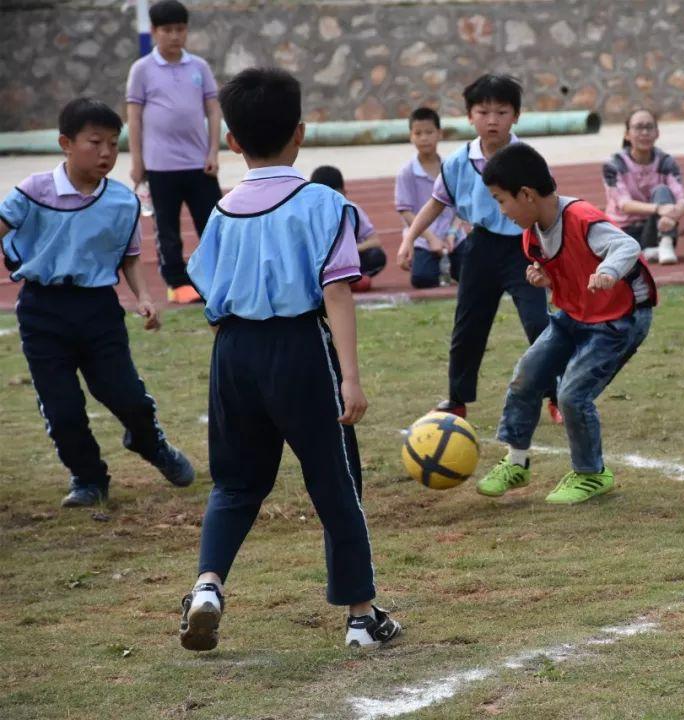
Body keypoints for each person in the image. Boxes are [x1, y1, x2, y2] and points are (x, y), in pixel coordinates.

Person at [181, 68, 401, 652]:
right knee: (335, 482)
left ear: (231, 141)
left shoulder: (223, 211)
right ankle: (360, 616)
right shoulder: (323, 203)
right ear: (299, 133)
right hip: (299, 348)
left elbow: (206, 288)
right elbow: (336, 290)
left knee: (234, 482)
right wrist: (350, 377)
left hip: (232, 352)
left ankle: (207, 586)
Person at [0, 98, 195, 508]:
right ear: (65, 143)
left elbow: (128, 256)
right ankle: (87, 478)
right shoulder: (33, 192)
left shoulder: (121, 202)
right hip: (42, 311)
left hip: (98, 311)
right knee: (63, 408)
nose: (106, 153)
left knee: (128, 396)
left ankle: (150, 444)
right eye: (95, 142)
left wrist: (143, 297)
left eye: (114, 144)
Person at [476, 143, 656, 504]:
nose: (500, 210)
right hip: (576, 315)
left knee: (572, 394)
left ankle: (591, 474)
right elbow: (566, 267)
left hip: (619, 319)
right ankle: (516, 461)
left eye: (500, 200)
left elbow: (626, 247)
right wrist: (547, 279)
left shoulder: (581, 219)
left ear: (526, 194)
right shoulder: (533, 233)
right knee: (527, 375)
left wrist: (606, 271)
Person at [396, 74, 559, 423]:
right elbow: (437, 203)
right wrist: (410, 239)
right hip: (480, 248)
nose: (492, 120)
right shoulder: (457, 162)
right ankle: (457, 399)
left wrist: (553, 252)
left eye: (501, 112)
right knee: (468, 326)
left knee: (538, 324)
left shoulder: (528, 158)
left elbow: (549, 206)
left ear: (516, 116)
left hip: (524, 247)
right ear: (470, 116)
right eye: (483, 112)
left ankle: (556, 395)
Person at [126, 0, 222, 304]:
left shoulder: (199, 67)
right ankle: (177, 283)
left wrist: (213, 152)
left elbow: (213, 110)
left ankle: (217, 276)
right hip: (160, 166)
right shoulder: (141, 70)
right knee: (167, 231)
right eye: (167, 30)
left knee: (213, 223)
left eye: (180, 29)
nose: (174, 36)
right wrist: (138, 162)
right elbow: (134, 118)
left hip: (198, 163)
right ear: (154, 31)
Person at [601, 109, 684, 265]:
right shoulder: (614, 165)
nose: (645, 132)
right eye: (639, 127)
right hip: (624, 230)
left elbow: (682, 200)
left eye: (649, 127)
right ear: (627, 134)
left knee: (662, 190)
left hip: (656, 228)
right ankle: (647, 251)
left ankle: (665, 244)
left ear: (657, 133)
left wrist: (672, 215)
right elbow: (625, 205)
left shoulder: (667, 162)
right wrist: (659, 209)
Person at [395, 107, 464, 289]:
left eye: (429, 132)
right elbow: (405, 211)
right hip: (422, 239)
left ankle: (451, 270)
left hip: (453, 238)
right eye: (418, 133)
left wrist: (452, 233)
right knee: (422, 279)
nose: (424, 138)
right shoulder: (407, 172)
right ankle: (440, 270)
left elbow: (460, 207)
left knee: (472, 273)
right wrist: (431, 238)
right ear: (411, 136)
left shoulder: (450, 167)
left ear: (439, 134)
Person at [310, 165, 387, 293]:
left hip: (347, 261)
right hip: (321, 264)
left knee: (377, 256)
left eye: (336, 197)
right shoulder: (309, 214)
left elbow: (375, 241)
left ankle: (346, 281)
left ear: (344, 193)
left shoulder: (351, 209)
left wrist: (349, 248)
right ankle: (339, 283)